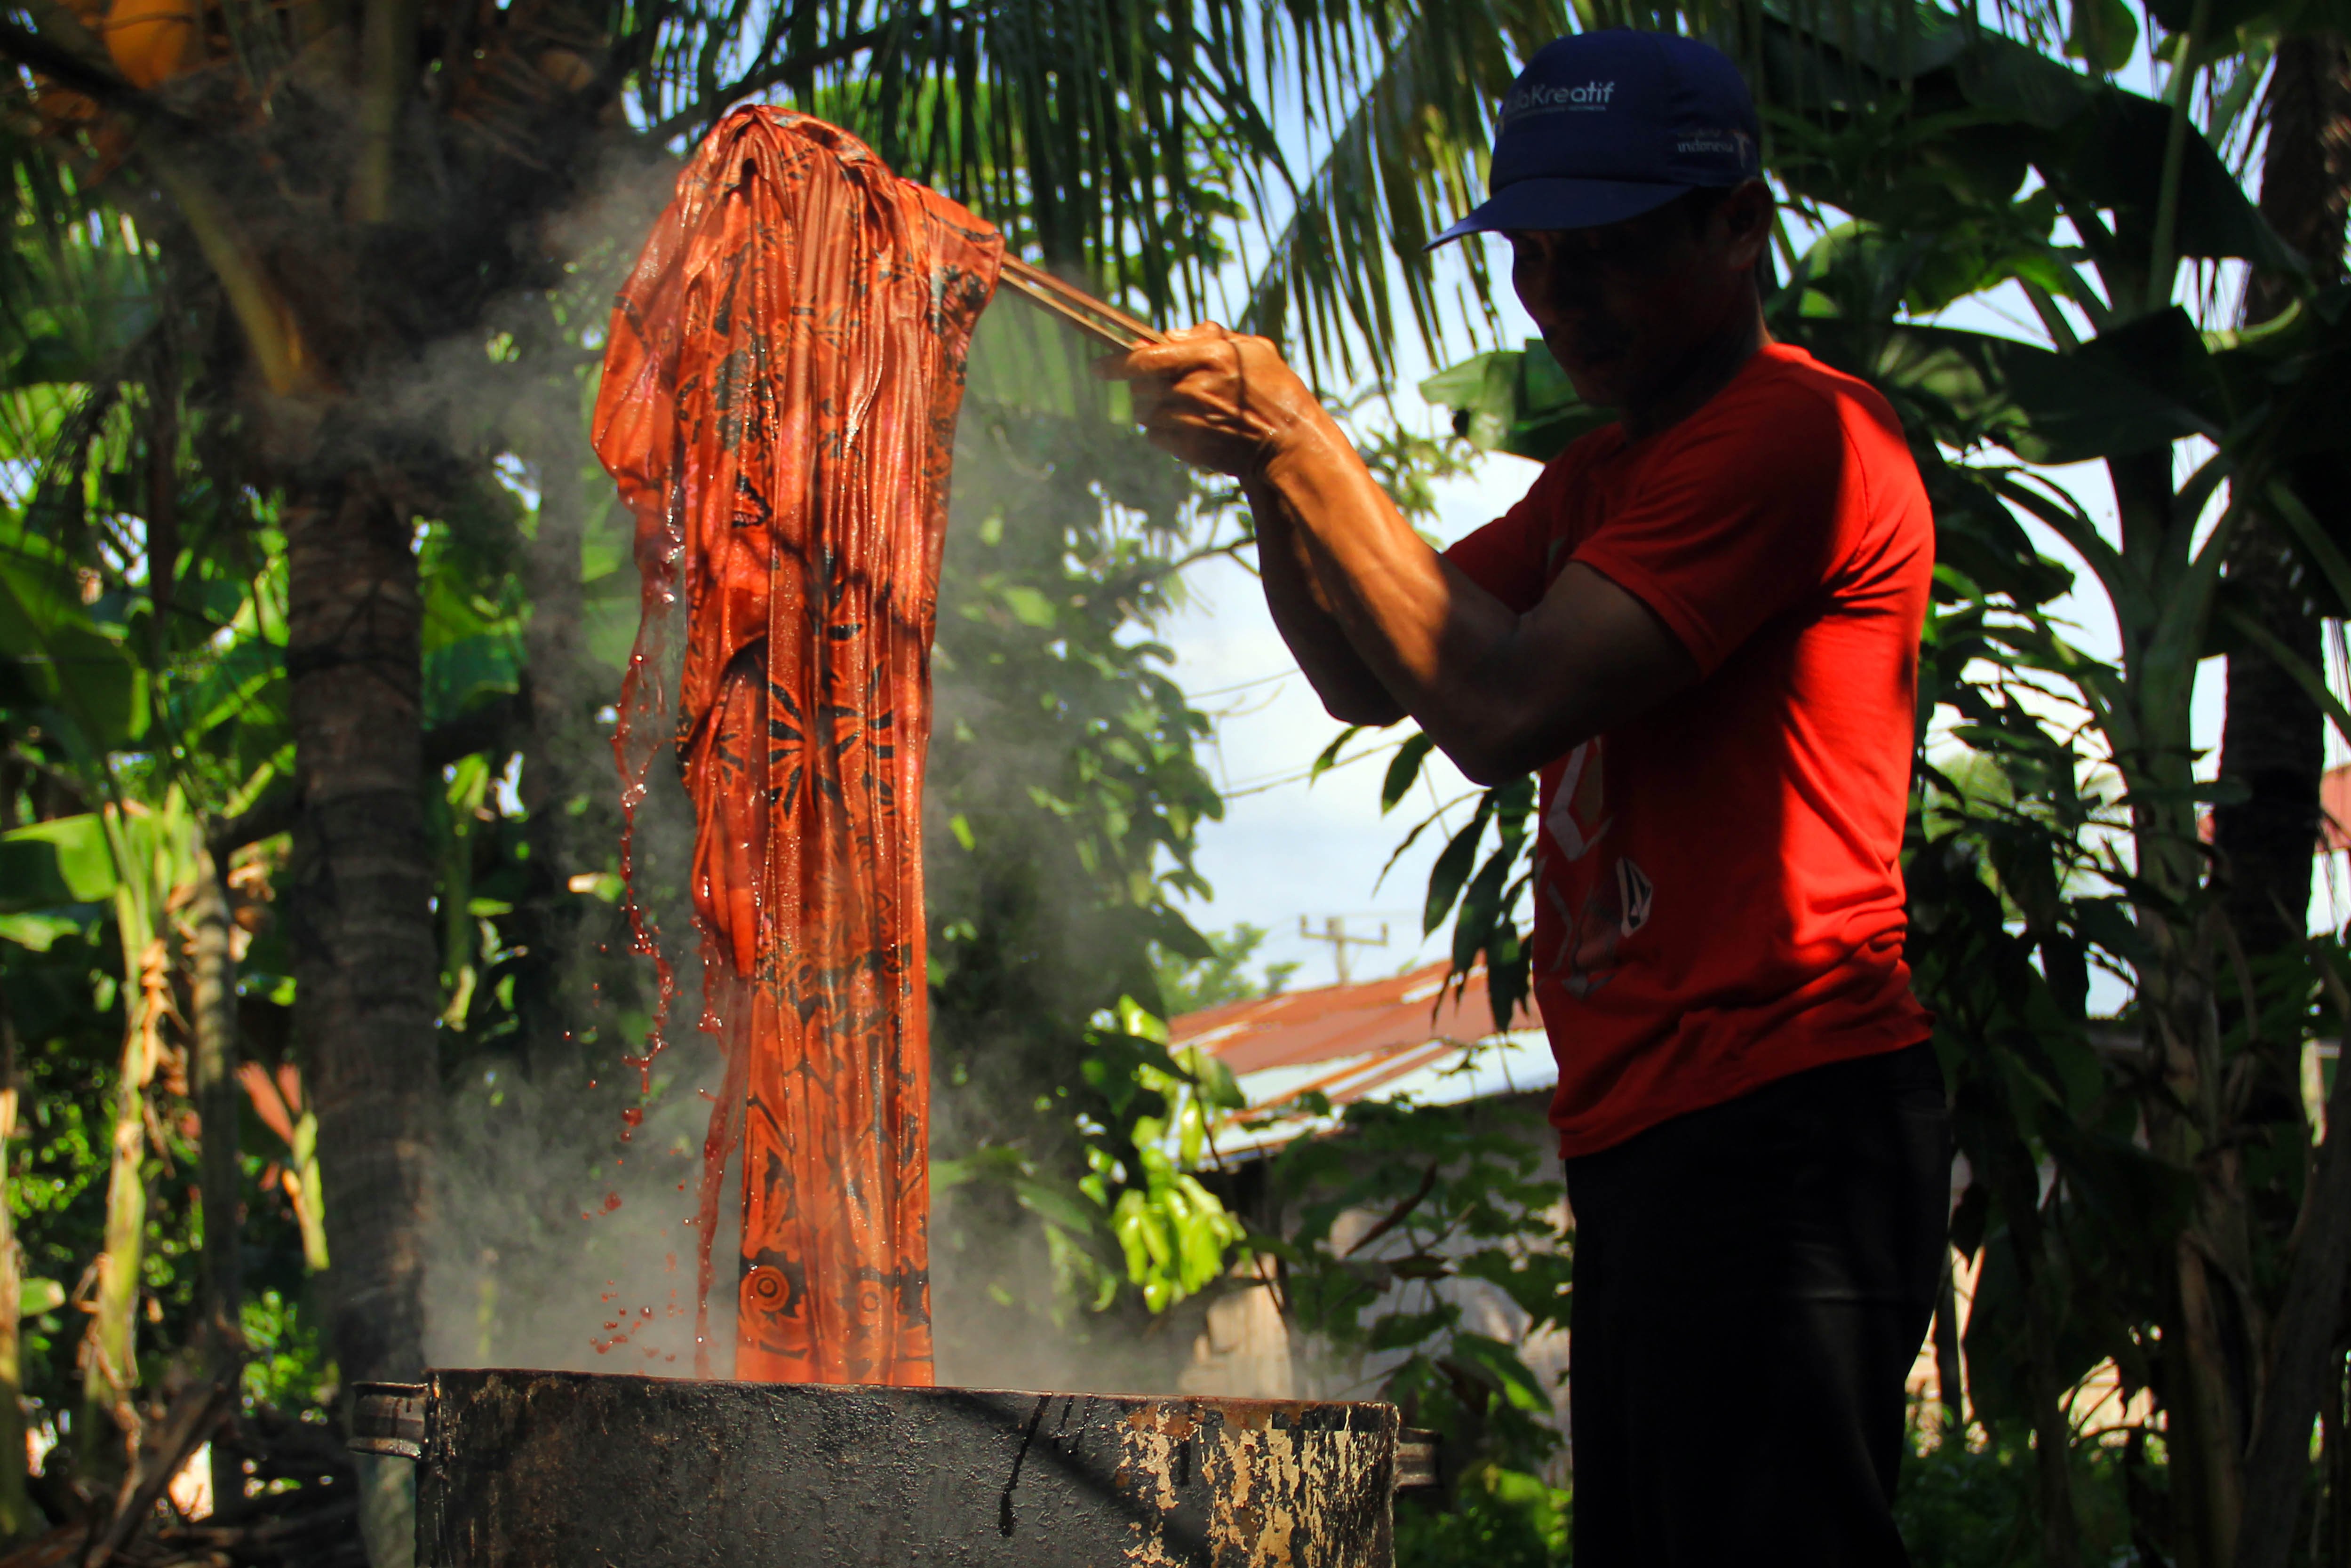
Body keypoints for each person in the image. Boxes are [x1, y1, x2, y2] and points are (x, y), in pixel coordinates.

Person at [1104, 28, 1952, 1568]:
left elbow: (1495, 705)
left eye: (1612, 256)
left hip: (1782, 1116)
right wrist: (1259, 479)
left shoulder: (1795, 437)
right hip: (1653, 1128)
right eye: (1537, 262)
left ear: (1739, 228)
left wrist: (1301, 436)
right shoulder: (1604, 485)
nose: (1564, 304)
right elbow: (1376, 673)